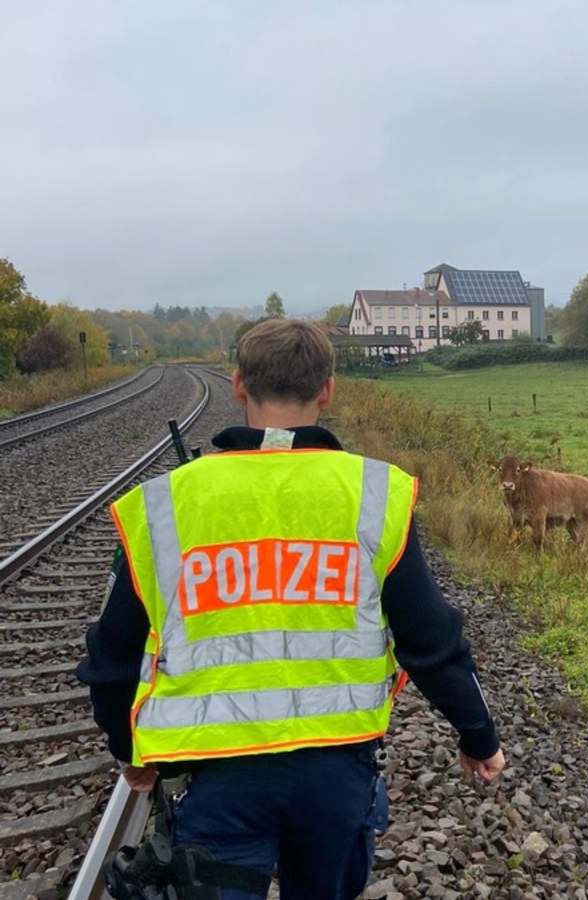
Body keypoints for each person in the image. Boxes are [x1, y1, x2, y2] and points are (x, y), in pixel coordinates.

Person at [76, 319, 505, 900]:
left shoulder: (165, 503)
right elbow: (430, 639)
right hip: (336, 774)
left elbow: (112, 655)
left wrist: (129, 751)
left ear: (237, 385)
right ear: (327, 390)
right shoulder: (373, 494)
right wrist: (477, 734)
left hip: (219, 776)